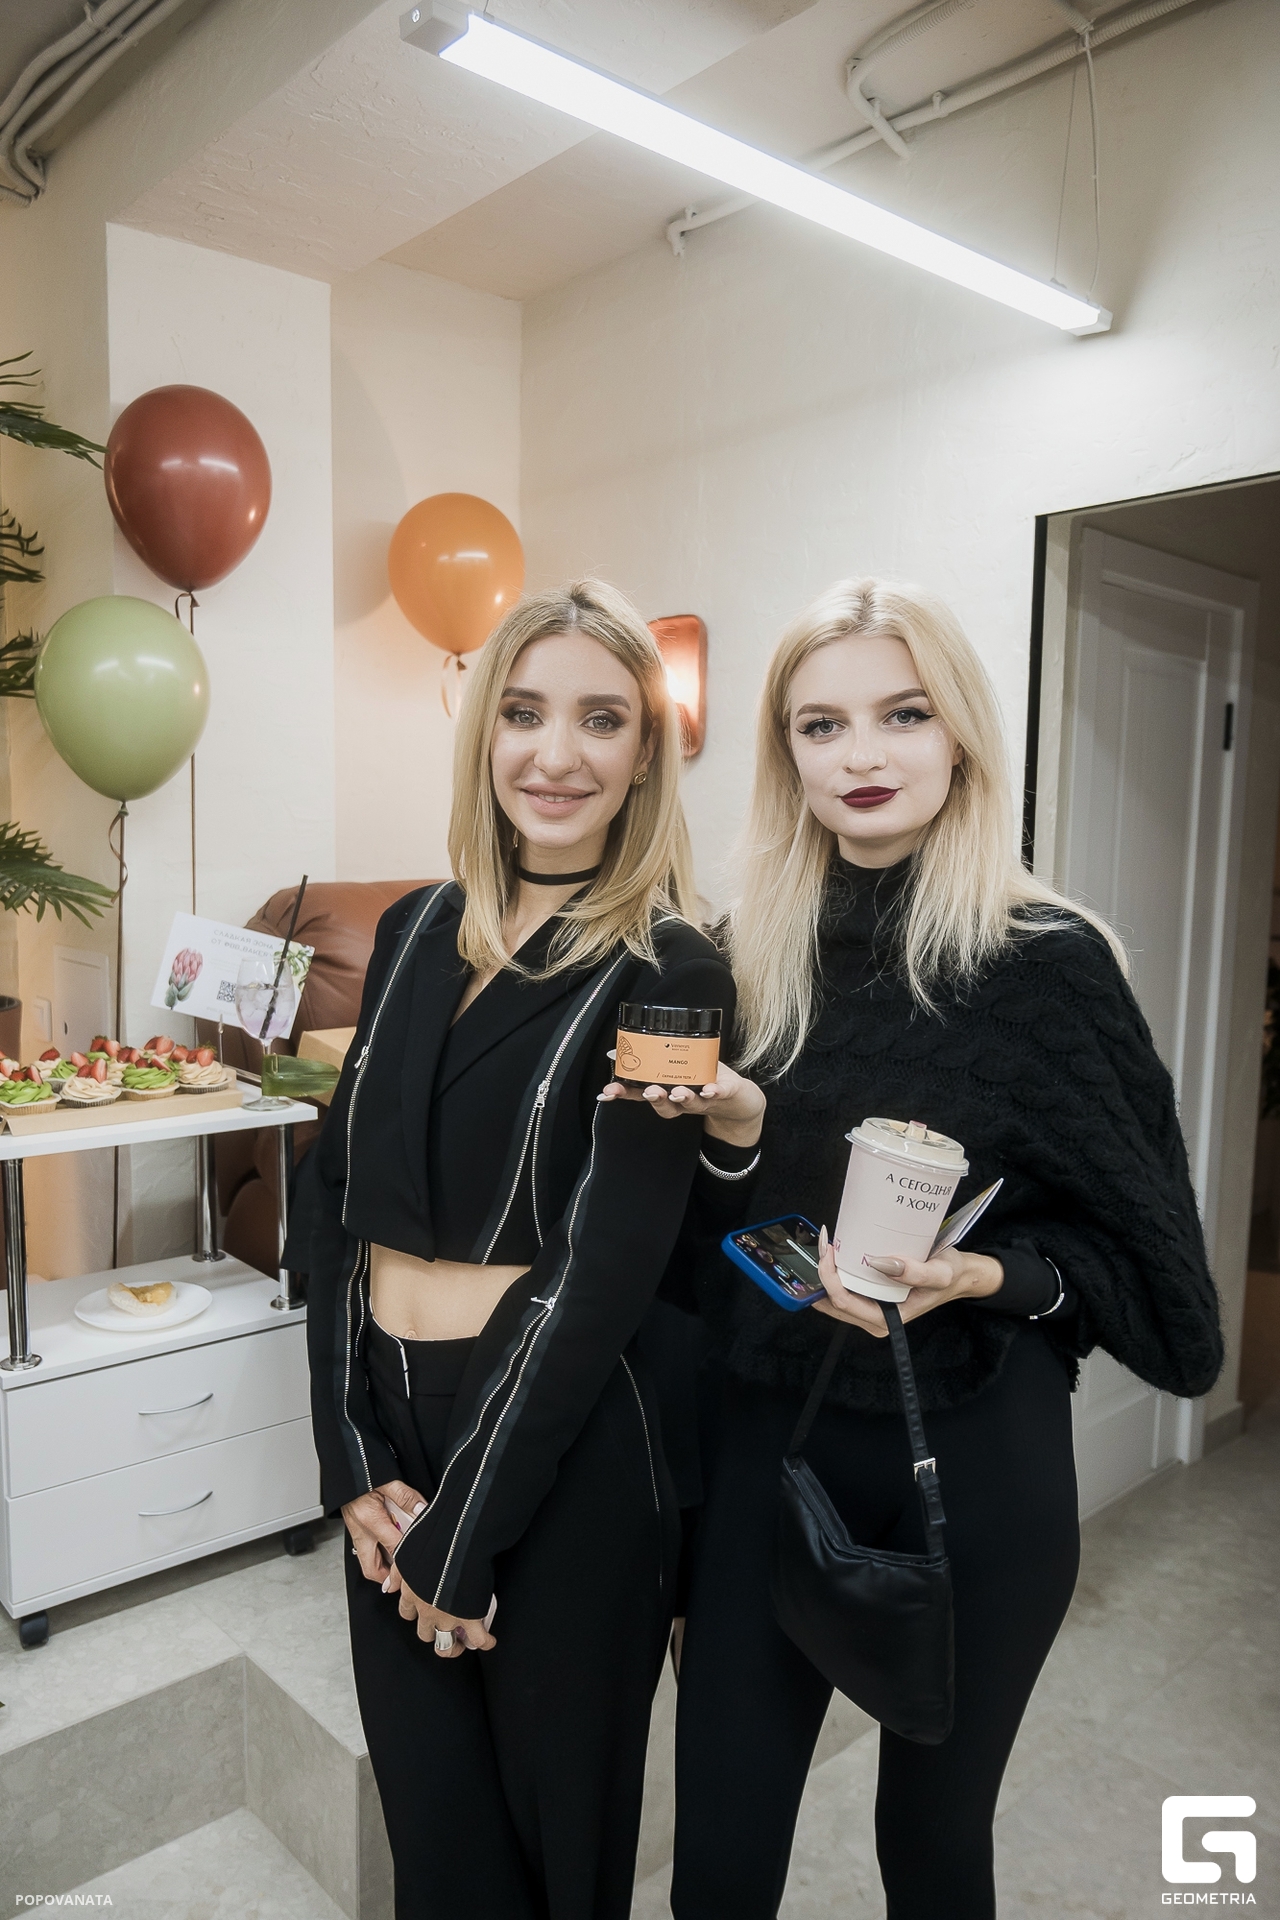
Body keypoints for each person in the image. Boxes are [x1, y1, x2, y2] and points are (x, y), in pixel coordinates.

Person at [668, 578, 1223, 1920]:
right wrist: (733, 1149)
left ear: (961, 731)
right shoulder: (742, 959)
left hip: (974, 1459)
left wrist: (990, 1275)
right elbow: (688, 1247)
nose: (861, 755)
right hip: (767, 1443)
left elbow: (1150, 1278)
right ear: (786, 754)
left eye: (903, 714)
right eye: (821, 725)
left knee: (932, 1849)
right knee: (719, 1859)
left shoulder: (1048, 965)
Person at [297, 580, 764, 1919]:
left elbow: (603, 1274)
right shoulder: (411, 930)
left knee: (558, 1855)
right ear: (483, 733)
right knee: (438, 1845)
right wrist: (351, 1457)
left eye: (601, 719)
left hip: (567, 1443)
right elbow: (336, 1197)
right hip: (395, 1428)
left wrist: (466, 1532)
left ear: (646, 753)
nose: (556, 755)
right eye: (524, 713)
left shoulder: (673, 967)